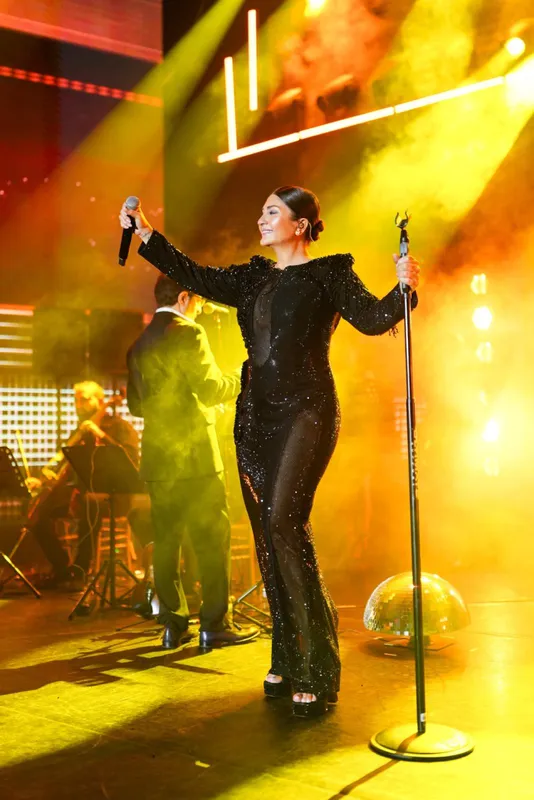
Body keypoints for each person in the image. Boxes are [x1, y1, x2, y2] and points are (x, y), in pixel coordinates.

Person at [119, 185, 420, 717]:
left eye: (272, 212)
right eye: (260, 210)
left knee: (285, 522)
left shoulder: (328, 274)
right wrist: (145, 232)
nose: (261, 218)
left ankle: (316, 667)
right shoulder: (251, 277)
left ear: (300, 224)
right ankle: (285, 653)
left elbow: (374, 319)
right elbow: (193, 274)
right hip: (254, 420)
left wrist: (404, 289)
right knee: (266, 534)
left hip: (307, 412)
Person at [126, 275, 258, 649]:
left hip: (158, 461)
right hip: (197, 459)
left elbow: (136, 406)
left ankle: (173, 624)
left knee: (166, 543)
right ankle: (214, 624)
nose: (200, 308)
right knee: (211, 542)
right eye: (198, 301)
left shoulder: (138, 344)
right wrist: (244, 374)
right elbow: (211, 389)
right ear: (184, 297)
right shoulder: (190, 333)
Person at [27, 381, 139, 588]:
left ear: (101, 401)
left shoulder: (120, 427)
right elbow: (64, 464)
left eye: (85, 399)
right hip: (78, 493)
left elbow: (131, 458)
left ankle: (80, 570)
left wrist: (101, 435)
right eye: (76, 400)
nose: (79, 405)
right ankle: (62, 567)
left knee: (89, 505)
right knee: (37, 516)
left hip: (114, 494)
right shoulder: (79, 432)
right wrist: (42, 480)